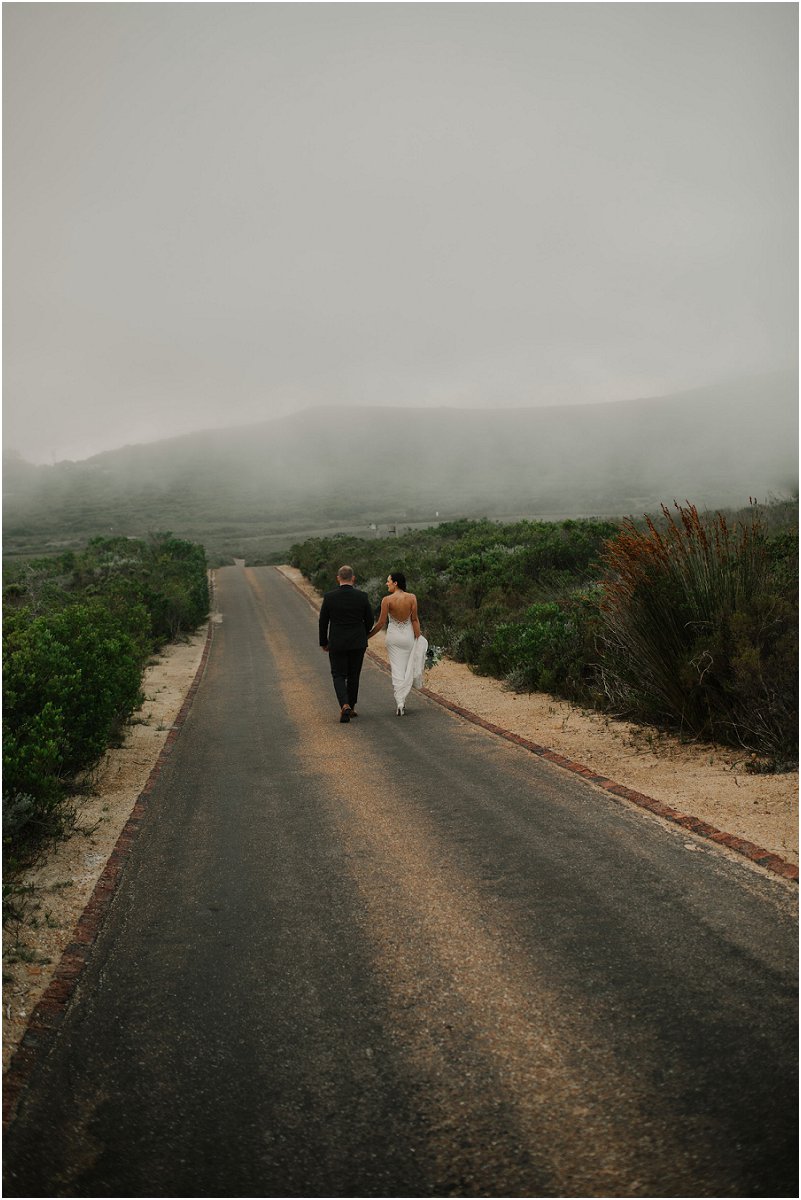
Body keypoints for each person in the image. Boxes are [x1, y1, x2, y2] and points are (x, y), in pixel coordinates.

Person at [319, 565, 374, 723]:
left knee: (338, 674)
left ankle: (344, 704)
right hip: (357, 642)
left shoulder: (329, 597)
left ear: (338, 578)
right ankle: (352, 707)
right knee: (353, 675)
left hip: (337, 642)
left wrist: (324, 641)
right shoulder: (362, 596)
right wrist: (362, 633)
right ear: (353, 578)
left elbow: (323, 622)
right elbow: (369, 619)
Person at [368, 572, 428, 715]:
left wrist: (368, 636)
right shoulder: (412, 598)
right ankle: (402, 698)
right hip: (407, 637)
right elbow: (414, 620)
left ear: (395, 583)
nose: (386, 583)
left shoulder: (387, 600)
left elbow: (381, 622)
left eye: (388, 581)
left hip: (393, 638)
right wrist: (418, 637)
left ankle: (400, 702)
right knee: (407, 668)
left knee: (397, 669)